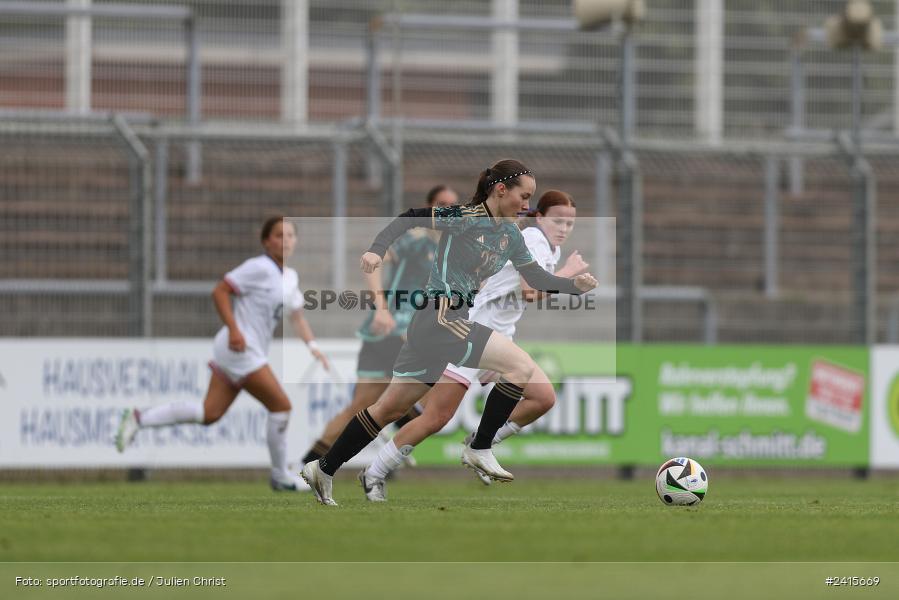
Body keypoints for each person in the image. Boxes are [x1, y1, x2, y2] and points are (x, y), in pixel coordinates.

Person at [301, 159, 598, 506]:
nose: (527, 205)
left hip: (435, 327)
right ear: (501, 190)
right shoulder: (467, 218)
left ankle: (323, 468)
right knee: (520, 368)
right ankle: (480, 447)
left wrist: (573, 286)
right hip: (440, 316)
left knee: (387, 409)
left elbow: (536, 280)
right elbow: (412, 216)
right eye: (523, 195)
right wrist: (376, 249)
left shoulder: (510, 235)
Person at [359, 190, 587, 500]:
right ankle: (374, 473)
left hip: (499, 336)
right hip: (472, 332)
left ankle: (479, 444)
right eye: (558, 220)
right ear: (540, 216)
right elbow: (530, 291)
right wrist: (568, 276)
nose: (564, 228)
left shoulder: (548, 247)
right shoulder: (533, 238)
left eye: (570, 224)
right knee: (435, 417)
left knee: (543, 397)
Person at [115, 216, 329, 492]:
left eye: (290, 235)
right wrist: (234, 329)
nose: (286, 240)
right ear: (266, 241)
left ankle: (138, 418)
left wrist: (313, 348)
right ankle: (280, 476)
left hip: (240, 351)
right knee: (281, 406)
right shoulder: (258, 267)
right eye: (279, 235)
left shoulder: (290, 277)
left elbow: (297, 316)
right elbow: (220, 290)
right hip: (240, 348)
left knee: (209, 413)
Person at [298, 185, 458, 466]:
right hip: (391, 331)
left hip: (409, 334)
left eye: (453, 207)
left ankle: (317, 462)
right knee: (422, 389)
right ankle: (311, 463)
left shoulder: (450, 250)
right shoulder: (416, 239)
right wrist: (381, 309)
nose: (448, 212)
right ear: (431, 207)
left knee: (376, 405)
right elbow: (373, 262)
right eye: (442, 205)